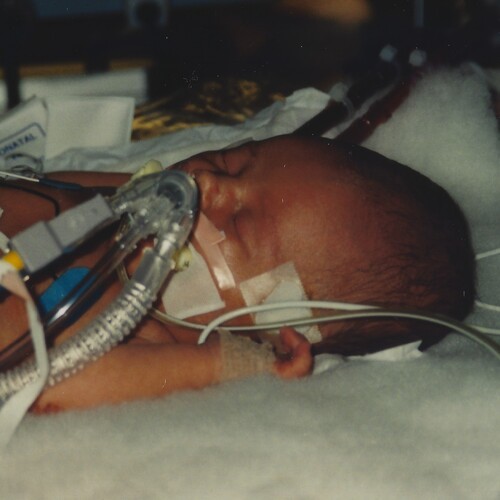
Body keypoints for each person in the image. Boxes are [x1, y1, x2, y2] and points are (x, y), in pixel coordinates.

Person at [0, 134, 475, 412]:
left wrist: (225, 364)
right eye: (235, 161)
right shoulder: (110, 208)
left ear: (279, 322)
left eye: (242, 224)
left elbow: (48, 384)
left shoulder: (139, 340)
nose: (209, 183)